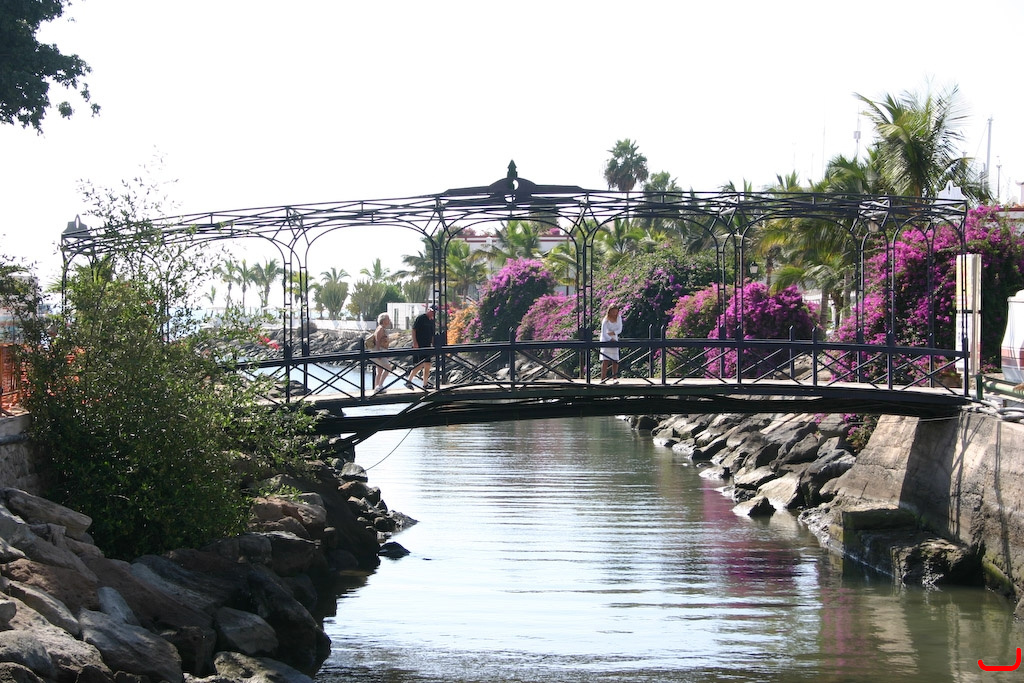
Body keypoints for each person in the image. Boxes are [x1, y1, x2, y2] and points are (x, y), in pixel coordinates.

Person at [407, 305, 436, 389]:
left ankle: (425, 384)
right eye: (431, 311)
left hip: (427, 345)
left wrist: (433, 345)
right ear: (428, 310)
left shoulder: (432, 321)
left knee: (428, 365)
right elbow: (414, 330)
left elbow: (432, 334)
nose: (432, 313)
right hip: (420, 344)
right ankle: (409, 381)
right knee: (419, 364)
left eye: (434, 312)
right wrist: (415, 342)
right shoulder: (421, 318)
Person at [599, 305, 623, 382]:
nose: (614, 313)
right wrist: (610, 339)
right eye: (613, 312)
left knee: (615, 359)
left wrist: (614, 333)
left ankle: (615, 378)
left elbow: (620, 329)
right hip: (606, 339)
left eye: (616, 312)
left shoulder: (619, 318)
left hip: (614, 337)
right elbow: (604, 333)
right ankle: (603, 378)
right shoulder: (605, 320)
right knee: (605, 360)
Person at [372, 312, 392, 393]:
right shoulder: (380, 329)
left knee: (379, 371)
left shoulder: (382, 328)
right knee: (388, 368)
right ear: (383, 320)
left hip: (382, 350)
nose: (389, 320)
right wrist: (378, 353)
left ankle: (376, 388)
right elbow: (377, 340)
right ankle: (380, 386)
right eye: (388, 319)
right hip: (380, 351)